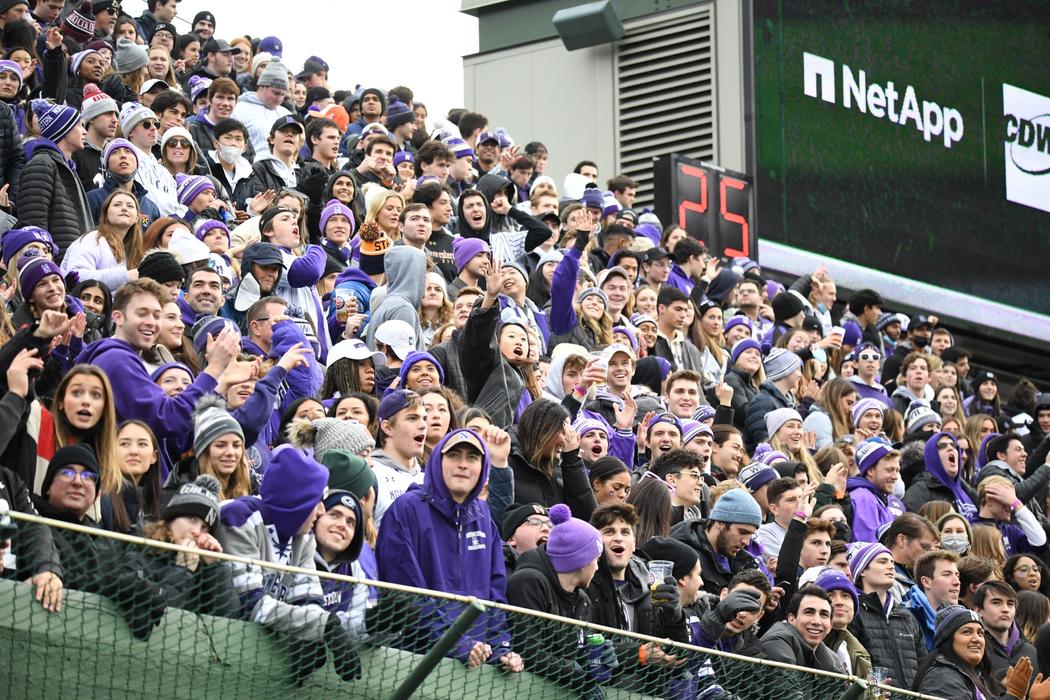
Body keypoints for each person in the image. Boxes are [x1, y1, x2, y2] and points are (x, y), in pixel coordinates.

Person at [376, 428, 523, 672]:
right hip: (417, 662)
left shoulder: (483, 516)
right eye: (454, 455)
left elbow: (496, 594)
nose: (463, 464)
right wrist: (455, 642)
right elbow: (405, 595)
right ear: (437, 462)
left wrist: (501, 648)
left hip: (477, 663)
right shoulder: (406, 509)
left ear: (482, 468)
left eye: (472, 458)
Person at [218, 445, 362, 683]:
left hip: (261, 655)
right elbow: (253, 607)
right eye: (316, 501)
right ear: (297, 500)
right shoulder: (240, 519)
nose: (321, 511)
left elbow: (308, 598)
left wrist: (310, 635)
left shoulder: (303, 536)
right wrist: (322, 626)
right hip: (221, 643)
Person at [76, 279, 238, 445]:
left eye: (156, 315)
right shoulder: (117, 360)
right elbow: (168, 419)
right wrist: (215, 368)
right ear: (118, 317)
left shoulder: (123, 358)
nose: (151, 322)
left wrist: (225, 383)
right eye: (142, 313)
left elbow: (179, 441)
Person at [506, 502, 614, 694]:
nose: (597, 568)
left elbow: (575, 654)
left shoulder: (582, 599)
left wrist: (598, 656)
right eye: (595, 560)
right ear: (580, 561)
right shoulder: (528, 582)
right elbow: (530, 652)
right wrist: (581, 678)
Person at [912, 604, 1037, 699]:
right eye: (967, 632)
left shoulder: (981, 677)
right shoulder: (940, 679)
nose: (976, 639)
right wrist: (1014, 694)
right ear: (948, 639)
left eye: (980, 633)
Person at [847, 541, 926, 689]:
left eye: (891, 562)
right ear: (862, 570)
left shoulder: (907, 616)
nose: (891, 566)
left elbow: (923, 668)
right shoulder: (853, 612)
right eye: (882, 562)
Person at [18, 100, 92, 257]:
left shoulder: (67, 168)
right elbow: (34, 224)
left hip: (72, 265)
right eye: (79, 125)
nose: (85, 132)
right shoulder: (41, 164)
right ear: (63, 130)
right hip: (55, 268)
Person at [671, 488, 762, 595]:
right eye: (742, 532)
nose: (746, 542)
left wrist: (764, 599)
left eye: (751, 535)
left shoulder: (743, 561)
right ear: (720, 522)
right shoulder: (684, 553)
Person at [759, 586, 842, 697]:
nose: (817, 621)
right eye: (809, 612)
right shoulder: (776, 642)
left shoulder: (833, 659)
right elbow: (787, 695)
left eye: (824, 615)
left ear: (830, 626)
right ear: (792, 619)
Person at [903, 431, 978, 519]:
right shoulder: (919, 492)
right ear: (932, 456)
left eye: (953, 445)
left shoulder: (968, 491)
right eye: (942, 446)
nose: (950, 448)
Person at [974, 580, 1038, 677]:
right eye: (996, 603)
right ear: (978, 610)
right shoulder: (975, 649)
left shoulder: (1031, 651)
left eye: (1010, 604)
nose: (1005, 609)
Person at [846, 440, 905, 542]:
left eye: (897, 470)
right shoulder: (864, 498)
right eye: (889, 470)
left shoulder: (878, 497)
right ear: (870, 471)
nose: (895, 476)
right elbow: (867, 544)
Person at [906, 549, 962, 651]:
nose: (957, 582)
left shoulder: (964, 619)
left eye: (957, 575)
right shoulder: (905, 618)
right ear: (926, 582)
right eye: (947, 574)